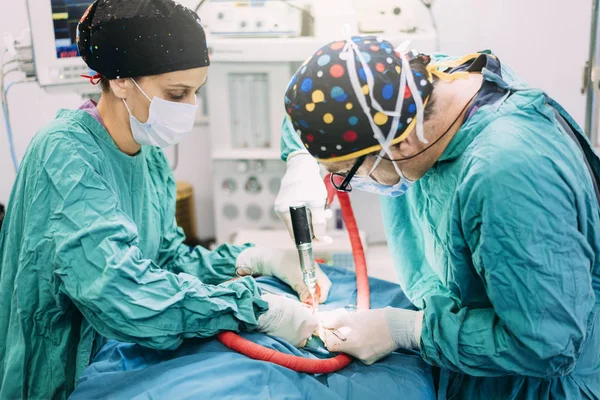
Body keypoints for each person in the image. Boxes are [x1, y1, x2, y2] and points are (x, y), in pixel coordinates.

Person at [0, 1, 329, 398]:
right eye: (177, 93)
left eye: (196, 92)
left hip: (119, 356)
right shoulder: (64, 154)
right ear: (120, 80)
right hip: (61, 372)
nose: (190, 107)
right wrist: (253, 308)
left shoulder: (149, 155)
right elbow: (120, 293)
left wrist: (256, 260)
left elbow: (166, 261)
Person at [276, 36, 600, 399]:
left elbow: (546, 344)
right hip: (462, 341)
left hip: (536, 381)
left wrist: (408, 330)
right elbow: (336, 86)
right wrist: (300, 164)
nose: (344, 184)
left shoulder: (507, 177)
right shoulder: (424, 83)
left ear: (400, 144)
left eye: (347, 174)